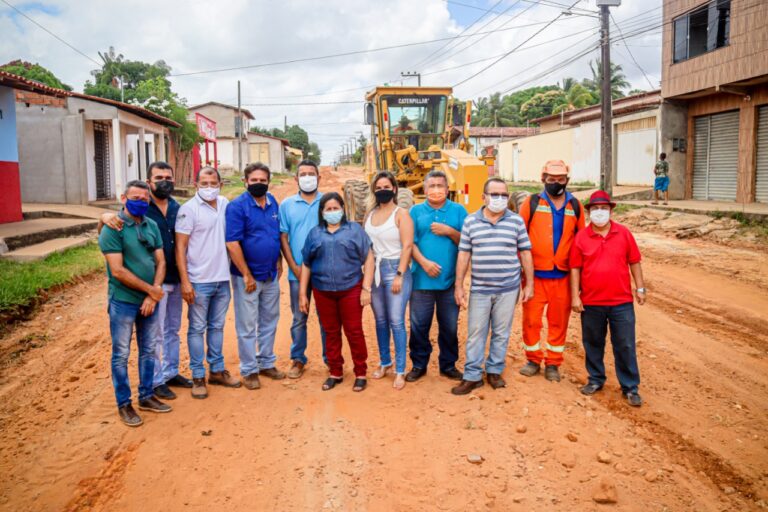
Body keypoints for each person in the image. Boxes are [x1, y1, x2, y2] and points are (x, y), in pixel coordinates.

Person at [98, 162, 191, 401]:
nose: (165, 181)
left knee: (172, 330)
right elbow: (108, 226)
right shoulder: (141, 211)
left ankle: (170, 372)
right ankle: (156, 381)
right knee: (154, 335)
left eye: (168, 177)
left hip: (173, 277)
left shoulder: (177, 208)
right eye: (158, 177)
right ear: (149, 183)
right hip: (147, 286)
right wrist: (103, 215)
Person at [452, 177, 534, 395]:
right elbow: (464, 254)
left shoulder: (516, 221)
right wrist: (459, 286)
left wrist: (530, 284)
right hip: (480, 288)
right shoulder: (471, 221)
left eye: (503, 195)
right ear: (484, 197)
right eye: (494, 195)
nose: (499, 199)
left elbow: (525, 252)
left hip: (508, 288)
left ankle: (495, 371)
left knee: (501, 332)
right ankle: (472, 376)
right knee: (476, 332)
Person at [99, 180, 171, 427]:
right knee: (121, 354)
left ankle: (147, 396)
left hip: (149, 301)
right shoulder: (113, 228)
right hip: (124, 301)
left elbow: (160, 261)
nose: (141, 202)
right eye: (135, 198)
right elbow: (117, 271)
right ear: (123, 198)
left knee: (148, 350)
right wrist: (151, 290)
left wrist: (153, 294)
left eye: (144, 199)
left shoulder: (151, 225)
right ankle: (124, 404)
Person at [570, 190, 646, 407]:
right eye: (595, 209)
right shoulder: (581, 238)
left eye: (604, 208)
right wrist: (575, 296)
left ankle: (630, 387)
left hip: (621, 302)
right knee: (593, 343)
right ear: (589, 212)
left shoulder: (623, 234)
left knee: (625, 344)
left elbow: (635, 261)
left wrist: (640, 288)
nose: (600, 212)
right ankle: (595, 379)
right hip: (592, 302)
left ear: (611, 211)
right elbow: (575, 268)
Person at [176, 166, 241, 399]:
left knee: (217, 327)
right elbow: (180, 248)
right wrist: (186, 282)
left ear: (220, 184)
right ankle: (197, 376)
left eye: (213, 183)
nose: (209, 188)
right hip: (199, 281)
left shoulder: (225, 204)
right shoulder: (188, 210)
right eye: (204, 183)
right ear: (196, 185)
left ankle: (216, 369)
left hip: (222, 280)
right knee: (196, 329)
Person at [518, 160, 585, 382]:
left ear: (567, 180)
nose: (556, 183)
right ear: (543, 179)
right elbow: (519, 235)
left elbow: (582, 239)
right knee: (531, 320)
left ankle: (553, 364)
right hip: (535, 276)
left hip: (563, 277)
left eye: (560, 179)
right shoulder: (532, 202)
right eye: (551, 179)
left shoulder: (575, 205)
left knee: (558, 322)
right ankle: (533, 359)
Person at [299, 193, 374, 392]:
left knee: (354, 331)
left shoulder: (355, 230)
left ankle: (360, 372)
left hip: (350, 289)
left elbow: (368, 257)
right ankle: (335, 372)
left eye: (335, 208)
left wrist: (366, 287)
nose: (332, 212)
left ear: (342, 209)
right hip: (323, 291)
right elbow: (306, 264)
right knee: (330, 332)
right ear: (322, 212)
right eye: (328, 209)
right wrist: (302, 293)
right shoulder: (315, 234)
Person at [226, 162, 284, 390]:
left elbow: (274, 235)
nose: (259, 184)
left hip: (270, 275)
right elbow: (232, 243)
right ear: (245, 181)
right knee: (247, 325)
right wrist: (247, 274)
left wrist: (278, 259)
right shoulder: (237, 207)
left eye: (263, 180)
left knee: (269, 321)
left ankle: (266, 362)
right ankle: (249, 370)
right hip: (247, 278)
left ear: (268, 181)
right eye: (254, 180)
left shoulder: (272, 203)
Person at [406, 170, 467, 383]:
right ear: (424, 189)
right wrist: (424, 263)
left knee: (449, 326)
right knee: (419, 325)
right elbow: (409, 243)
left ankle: (448, 365)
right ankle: (419, 364)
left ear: (447, 189)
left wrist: (450, 231)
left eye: (440, 186)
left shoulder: (459, 211)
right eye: (431, 186)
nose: (436, 190)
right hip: (421, 281)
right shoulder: (415, 212)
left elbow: (466, 244)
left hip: (450, 282)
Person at [364, 172, 414, 390]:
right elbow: (368, 249)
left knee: (396, 320)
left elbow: (408, 246)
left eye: (386, 186)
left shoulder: (401, 214)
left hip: (395, 268)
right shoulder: (370, 214)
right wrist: (366, 281)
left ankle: (400, 370)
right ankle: (385, 362)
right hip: (375, 269)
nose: (382, 189)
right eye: (378, 186)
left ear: (394, 189)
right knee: (380, 320)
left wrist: (400, 275)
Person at [279, 159, 327, 379]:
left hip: (325, 271)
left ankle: (331, 359)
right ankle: (298, 359)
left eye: (312, 173)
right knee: (299, 317)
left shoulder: (328, 202)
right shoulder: (287, 205)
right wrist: (293, 266)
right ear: (296, 179)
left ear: (319, 177)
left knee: (327, 317)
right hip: (297, 272)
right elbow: (284, 238)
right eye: (303, 174)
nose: (308, 177)